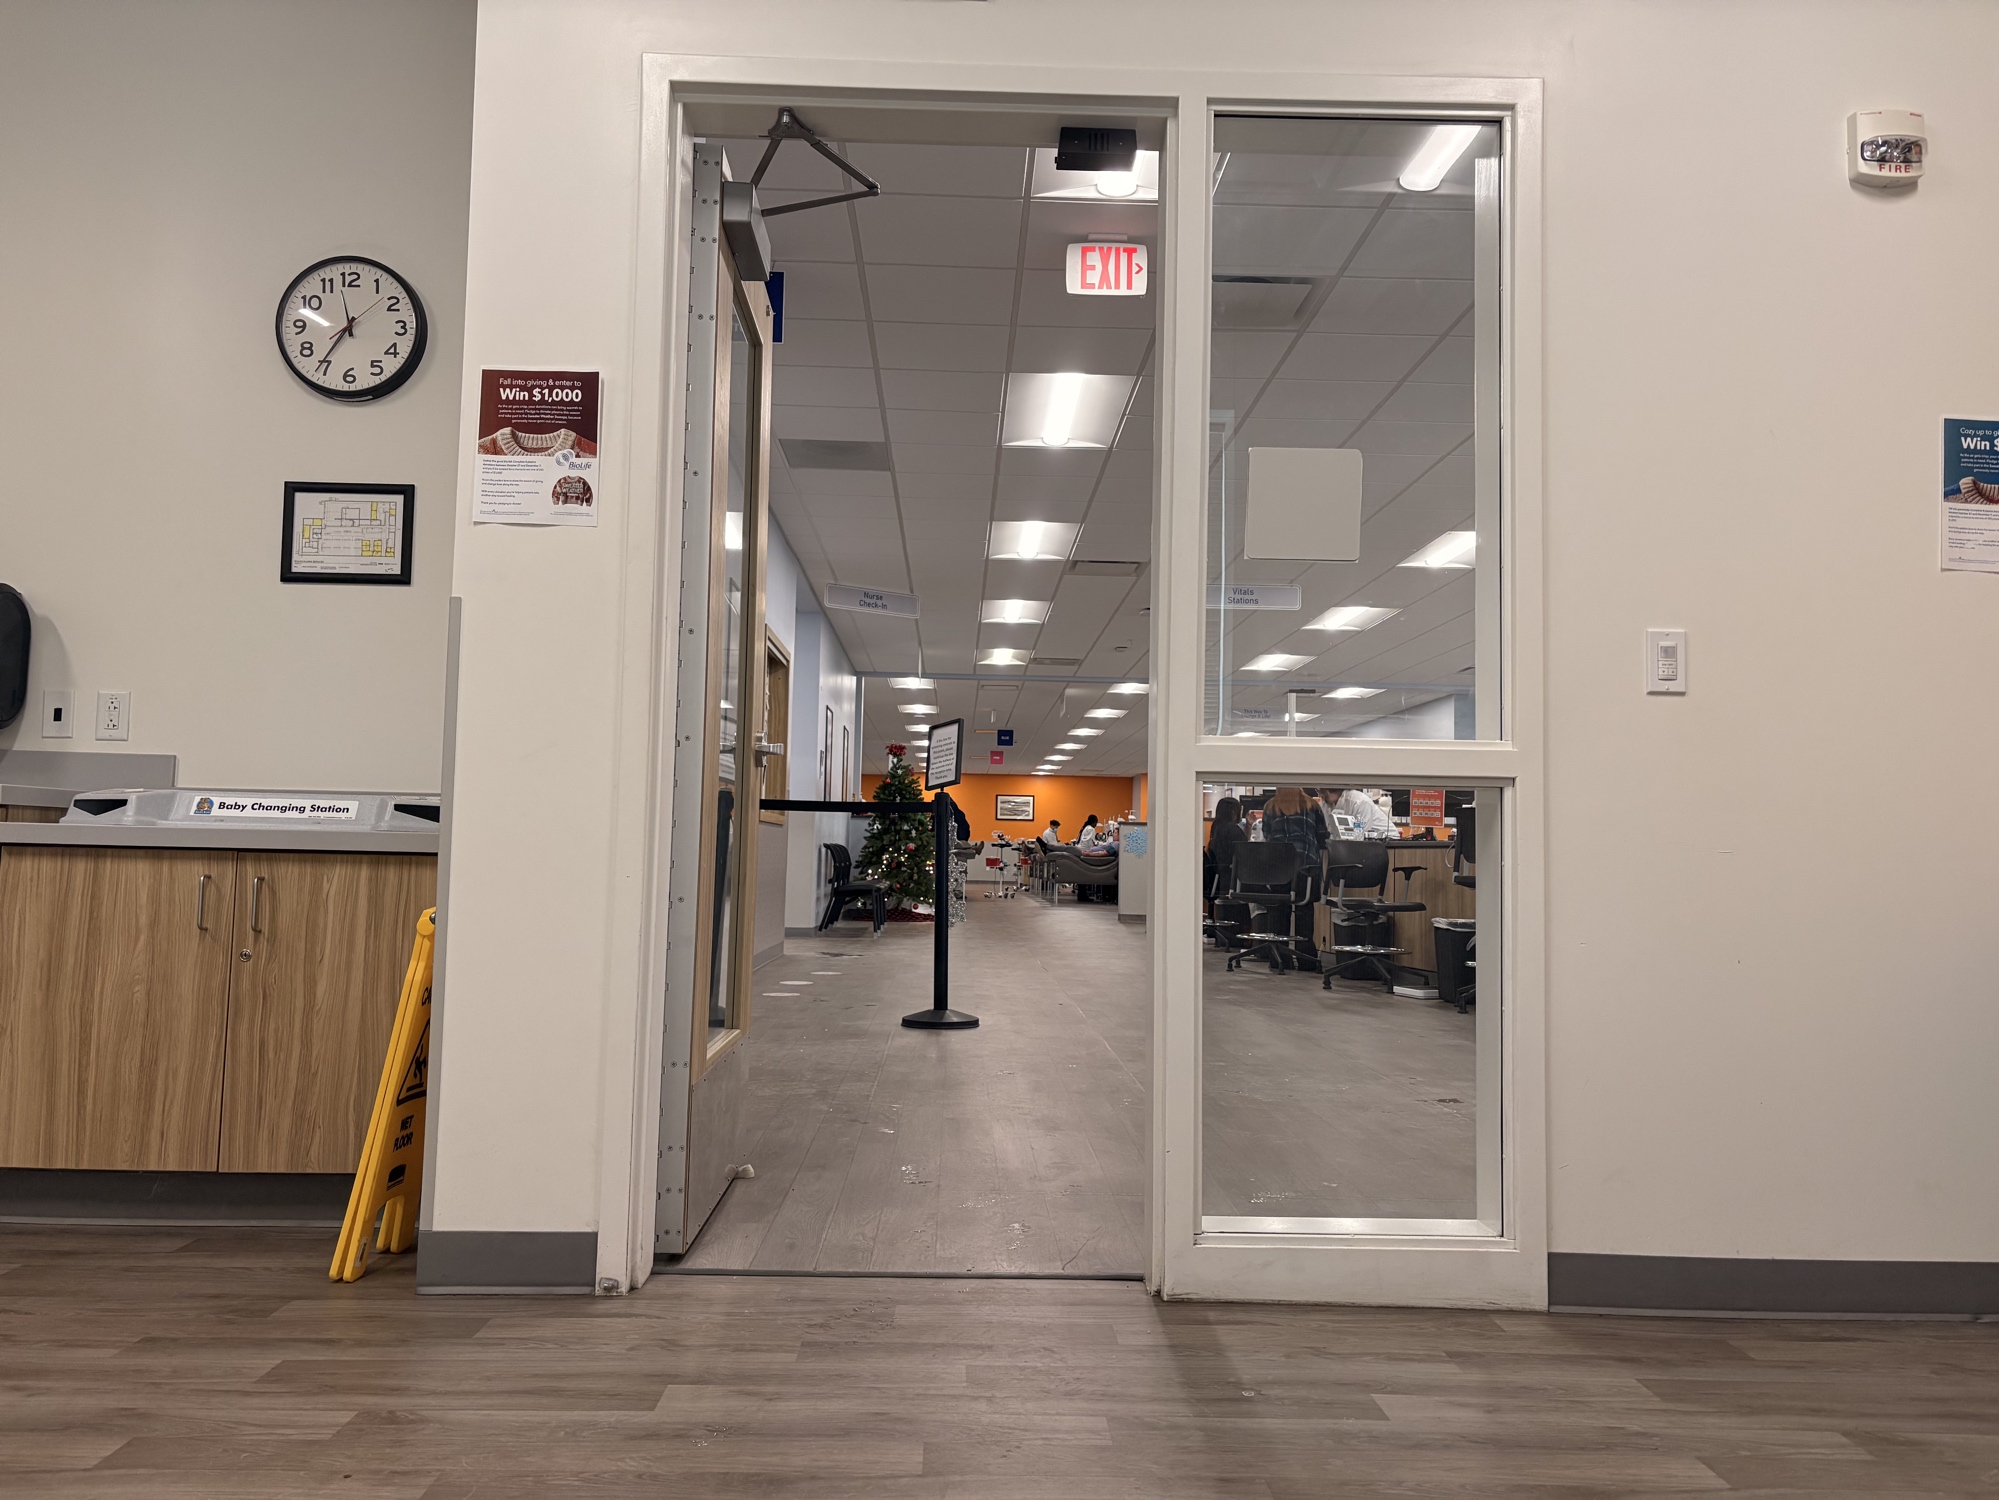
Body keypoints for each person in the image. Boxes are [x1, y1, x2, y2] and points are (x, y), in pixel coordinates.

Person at [1261, 786, 1324, 864]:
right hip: (1307, 858)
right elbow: (1321, 835)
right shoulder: (1312, 805)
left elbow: (1267, 835)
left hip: (1278, 860)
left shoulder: (1270, 806)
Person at [1324, 785, 1398, 839]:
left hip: (1387, 840)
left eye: (1324, 792)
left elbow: (1361, 834)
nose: (1321, 795)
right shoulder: (1327, 803)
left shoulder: (1359, 801)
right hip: (1361, 842)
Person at [1206, 797, 1247, 887]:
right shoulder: (1232, 829)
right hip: (1233, 878)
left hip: (1221, 876)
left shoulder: (1216, 827)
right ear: (1234, 812)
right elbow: (1244, 850)